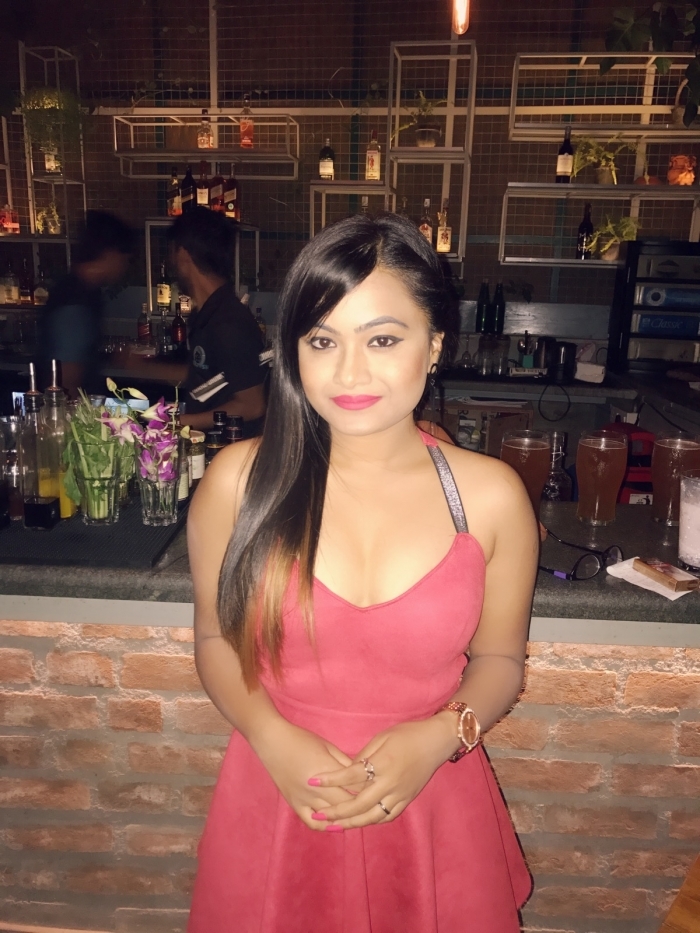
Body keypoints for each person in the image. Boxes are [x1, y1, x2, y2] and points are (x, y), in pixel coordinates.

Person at [187, 213, 538, 932]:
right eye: (322, 341)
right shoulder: (237, 483)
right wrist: (270, 734)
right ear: (294, 351)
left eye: (382, 339)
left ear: (433, 344)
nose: (349, 372)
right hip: (279, 789)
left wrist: (441, 736)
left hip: (433, 799)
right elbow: (216, 640)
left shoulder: (491, 496)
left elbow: (501, 661)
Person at [165, 208, 266, 436]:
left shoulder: (229, 323)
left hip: (231, 448)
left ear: (182, 254)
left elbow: (252, 405)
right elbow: (211, 379)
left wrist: (180, 423)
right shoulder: (209, 314)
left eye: (171, 253)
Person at [39, 211, 135, 398]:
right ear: (111, 254)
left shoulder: (80, 290)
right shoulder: (75, 301)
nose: (125, 267)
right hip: (69, 411)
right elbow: (67, 380)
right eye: (125, 259)